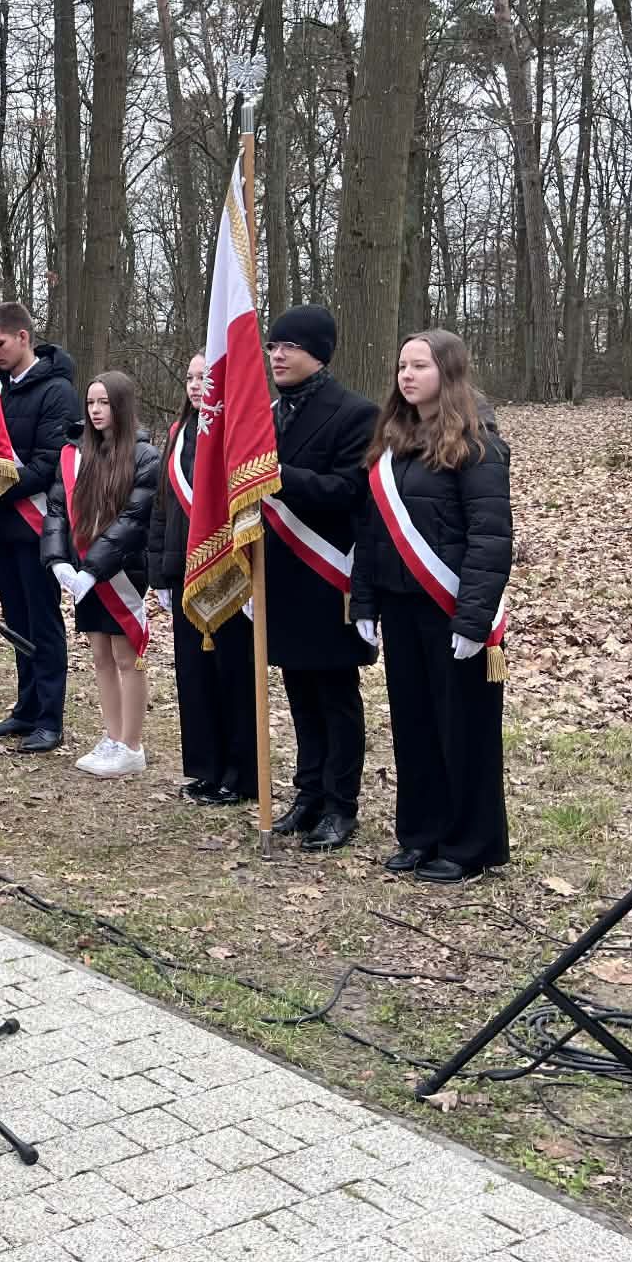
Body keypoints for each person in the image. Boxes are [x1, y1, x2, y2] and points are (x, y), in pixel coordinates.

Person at [351, 330, 513, 885]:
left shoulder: (479, 444)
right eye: (401, 366)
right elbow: (373, 531)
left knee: (461, 730)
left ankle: (470, 845)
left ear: (448, 371)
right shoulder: (390, 440)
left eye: (419, 365)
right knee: (414, 727)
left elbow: (490, 540)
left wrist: (472, 620)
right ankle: (420, 834)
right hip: (400, 607)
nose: (406, 375)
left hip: (451, 610)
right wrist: (365, 602)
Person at [263, 304, 379, 853]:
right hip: (283, 572)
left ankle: (340, 804)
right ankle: (307, 793)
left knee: (335, 696)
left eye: (289, 346)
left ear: (319, 353)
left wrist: (281, 476)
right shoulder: (264, 412)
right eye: (272, 346)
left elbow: (349, 491)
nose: (276, 355)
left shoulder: (356, 413)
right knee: (298, 693)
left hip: (329, 573)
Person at [148, 353, 259, 804]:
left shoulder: (236, 436)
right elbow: (161, 509)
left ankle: (241, 772)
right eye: (191, 378)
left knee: (232, 674)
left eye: (206, 378)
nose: (197, 386)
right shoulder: (176, 435)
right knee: (194, 677)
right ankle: (206, 767)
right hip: (184, 572)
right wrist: (158, 572)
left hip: (229, 575)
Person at [0, 303, 81, 754]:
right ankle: (25, 707)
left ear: (23, 337)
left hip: (39, 525)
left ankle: (49, 717)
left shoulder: (57, 392)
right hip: (3, 526)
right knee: (16, 622)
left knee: (43, 622)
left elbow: (49, 463)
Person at [43, 371, 160, 777]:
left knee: (127, 656)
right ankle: (111, 737)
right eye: (91, 402)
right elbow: (57, 510)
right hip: (83, 568)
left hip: (123, 570)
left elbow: (133, 519)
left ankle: (132, 744)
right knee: (100, 654)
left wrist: (95, 568)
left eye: (104, 402)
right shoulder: (75, 453)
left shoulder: (145, 457)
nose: (95, 410)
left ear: (121, 405)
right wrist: (58, 559)